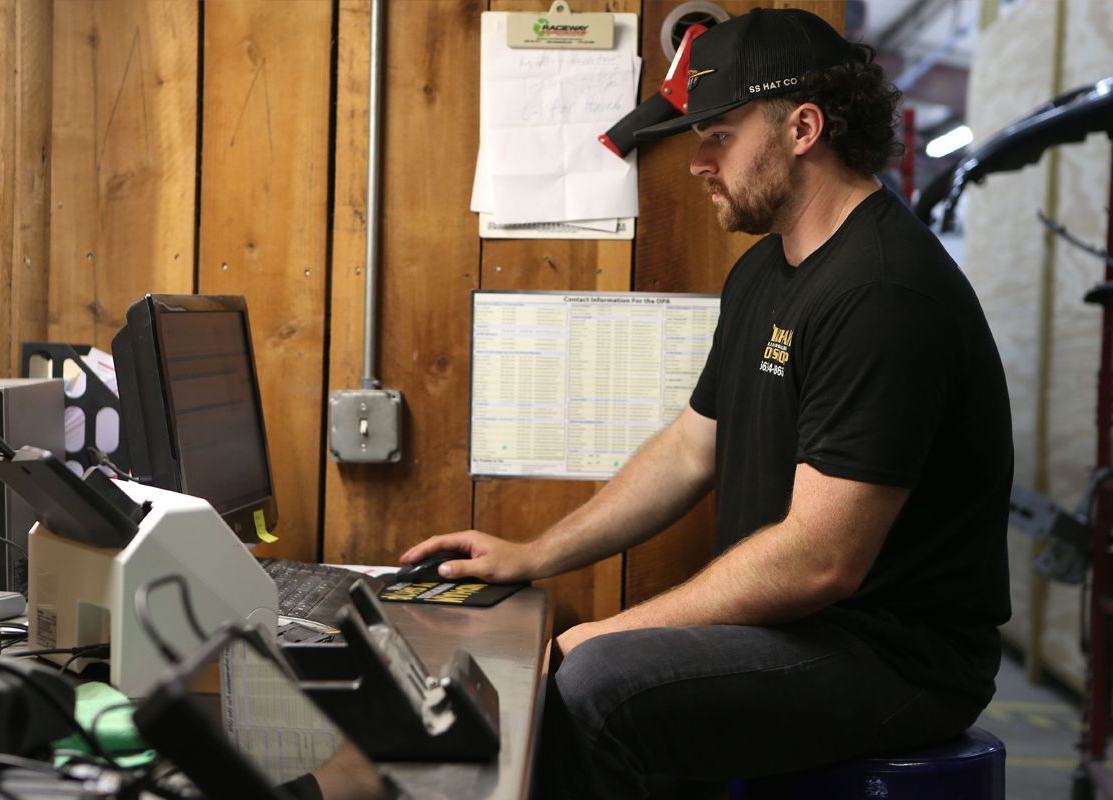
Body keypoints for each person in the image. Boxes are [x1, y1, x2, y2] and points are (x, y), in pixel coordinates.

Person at [402, 8, 1012, 798]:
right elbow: (692, 449)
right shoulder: (765, 272)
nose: (697, 161)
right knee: (574, 664)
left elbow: (820, 559)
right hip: (808, 627)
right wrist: (532, 556)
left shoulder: (884, 292)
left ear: (802, 128)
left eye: (718, 133)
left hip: (897, 658)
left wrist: (598, 635)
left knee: (597, 687)